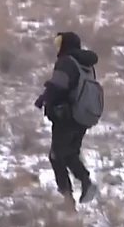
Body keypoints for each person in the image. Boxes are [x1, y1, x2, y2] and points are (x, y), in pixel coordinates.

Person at [34, 31, 101, 207]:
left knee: (56, 156)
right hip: (83, 116)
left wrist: (46, 102)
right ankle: (85, 183)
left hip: (66, 116)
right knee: (70, 153)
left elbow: (58, 86)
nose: (57, 46)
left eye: (59, 42)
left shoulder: (66, 62)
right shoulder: (86, 65)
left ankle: (68, 198)